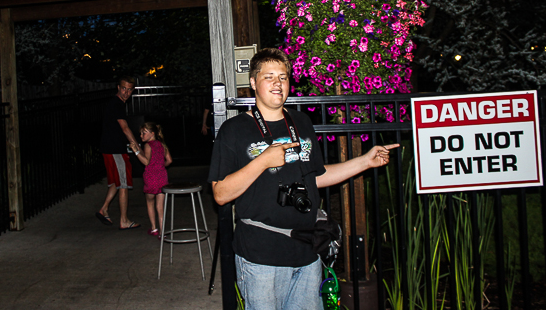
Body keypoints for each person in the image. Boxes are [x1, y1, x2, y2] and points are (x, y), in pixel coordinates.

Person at [208, 48, 397, 310]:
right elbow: (220, 194)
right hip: (261, 254)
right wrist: (263, 160)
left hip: (307, 252)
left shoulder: (301, 121)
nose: (278, 83)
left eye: (283, 77)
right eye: (269, 77)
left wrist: (365, 161)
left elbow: (317, 178)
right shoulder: (234, 129)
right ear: (253, 82)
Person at [96, 76, 141, 230]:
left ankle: (104, 209)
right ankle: (124, 220)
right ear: (118, 87)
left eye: (129, 89)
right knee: (123, 183)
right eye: (124, 88)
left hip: (110, 148)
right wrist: (136, 145)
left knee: (116, 181)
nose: (126, 92)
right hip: (114, 150)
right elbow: (125, 127)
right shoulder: (117, 104)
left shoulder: (116, 103)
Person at [131, 122, 173, 237]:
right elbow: (169, 160)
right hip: (162, 177)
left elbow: (146, 161)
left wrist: (136, 151)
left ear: (152, 133)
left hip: (151, 178)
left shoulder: (148, 145)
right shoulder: (162, 144)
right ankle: (162, 232)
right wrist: (160, 166)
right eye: (141, 133)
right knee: (160, 206)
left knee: (150, 202)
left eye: (144, 133)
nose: (141, 136)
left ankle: (154, 228)